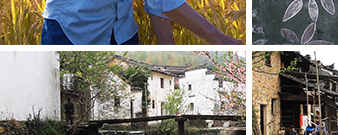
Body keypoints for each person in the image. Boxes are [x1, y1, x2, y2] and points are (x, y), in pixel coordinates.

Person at [41, 0, 243, 45]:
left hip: (122, 30)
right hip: (72, 28)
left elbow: (157, 3)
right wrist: (218, 38)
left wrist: (168, 47)